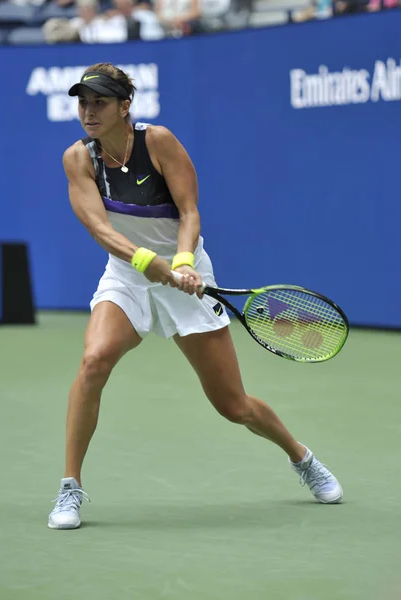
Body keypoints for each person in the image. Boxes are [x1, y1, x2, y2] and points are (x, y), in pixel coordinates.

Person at [48, 62, 343, 530]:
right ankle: (70, 487)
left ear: (126, 107)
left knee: (233, 406)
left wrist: (182, 263)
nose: (88, 111)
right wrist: (150, 265)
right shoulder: (77, 159)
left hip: (186, 272)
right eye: (83, 102)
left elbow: (189, 211)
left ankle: (301, 457)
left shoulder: (159, 142)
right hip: (128, 274)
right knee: (94, 360)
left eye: (100, 102)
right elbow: (100, 229)